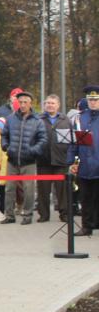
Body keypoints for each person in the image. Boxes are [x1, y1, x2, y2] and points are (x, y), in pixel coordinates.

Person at [0, 90, 46, 225]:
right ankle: (9, 215)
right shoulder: (11, 118)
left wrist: (33, 151)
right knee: (9, 189)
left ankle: (27, 215)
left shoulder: (37, 121)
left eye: (25, 102)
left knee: (29, 189)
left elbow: (43, 139)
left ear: (30, 103)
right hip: (12, 159)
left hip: (29, 161)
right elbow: (4, 135)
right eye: (20, 102)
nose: (23, 105)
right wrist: (6, 147)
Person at [36, 95, 72, 223]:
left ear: (58, 105)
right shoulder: (39, 119)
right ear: (44, 105)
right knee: (43, 190)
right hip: (43, 160)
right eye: (47, 103)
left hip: (60, 160)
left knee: (62, 190)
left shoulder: (66, 120)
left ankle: (64, 214)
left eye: (52, 103)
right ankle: (44, 215)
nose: (50, 105)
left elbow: (71, 140)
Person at [69, 86, 99, 236]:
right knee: (86, 198)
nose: (93, 102)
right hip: (85, 164)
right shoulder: (79, 118)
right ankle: (87, 226)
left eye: (95, 100)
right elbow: (74, 142)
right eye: (90, 100)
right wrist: (72, 162)